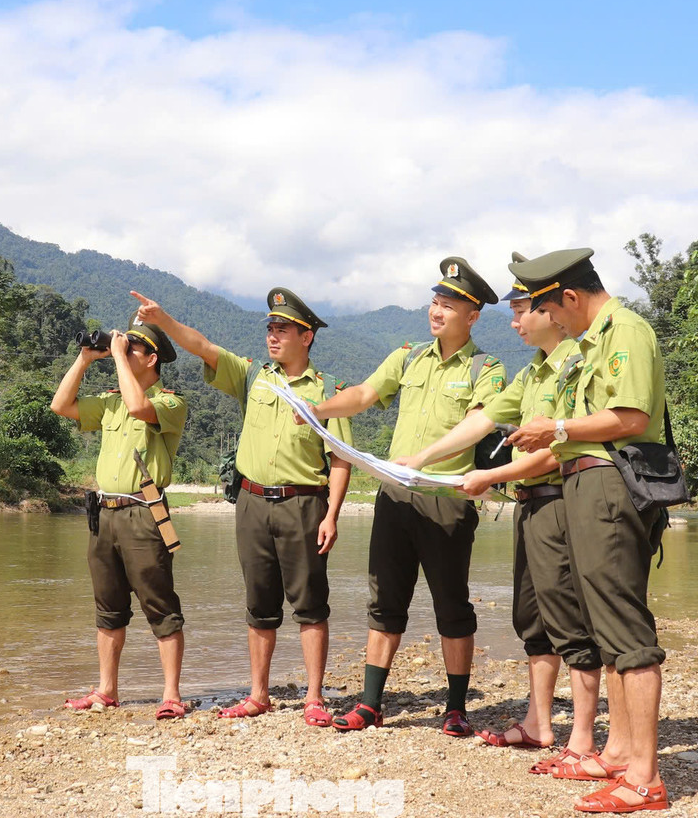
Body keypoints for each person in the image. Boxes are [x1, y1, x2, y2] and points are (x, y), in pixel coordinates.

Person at [395, 254, 604, 777]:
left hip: (560, 500)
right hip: (528, 506)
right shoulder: (532, 372)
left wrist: (490, 477)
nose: (513, 322)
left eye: (520, 310)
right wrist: (421, 458)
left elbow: (559, 444)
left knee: (570, 622)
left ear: (550, 312)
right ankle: (539, 722)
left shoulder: (575, 365)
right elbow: (484, 420)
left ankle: (582, 736)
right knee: (531, 619)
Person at [131, 287, 353, 727]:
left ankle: (313, 697)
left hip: (304, 503)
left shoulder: (328, 390)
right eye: (270, 328)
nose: (273, 335)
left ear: (306, 336)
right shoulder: (254, 376)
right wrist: (163, 321)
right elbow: (203, 347)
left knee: (310, 603)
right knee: (259, 603)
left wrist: (331, 514)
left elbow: (341, 458)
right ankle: (258, 694)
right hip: (251, 502)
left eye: (282, 329)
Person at [308, 257, 505, 737]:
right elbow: (363, 394)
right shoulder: (409, 356)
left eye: (449, 304)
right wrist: (317, 409)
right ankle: (371, 703)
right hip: (395, 495)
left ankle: (456, 707)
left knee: (451, 604)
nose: (437, 311)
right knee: (385, 599)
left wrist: (423, 459)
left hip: (447, 498)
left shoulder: (487, 368)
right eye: (435, 302)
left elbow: (475, 426)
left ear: (473, 314)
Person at [506, 248, 671, 813]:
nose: (555, 324)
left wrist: (555, 425)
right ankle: (621, 753)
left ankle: (644, 778)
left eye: (552, 311)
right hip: (581, 480)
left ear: (570, 298)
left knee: (625, 629)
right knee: (604, 628)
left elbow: (631, 418)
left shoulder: (623, 330)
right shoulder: (593, 340)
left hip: (607, 480)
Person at [50, 319, 189, 720]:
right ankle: (107, 690)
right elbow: (61, 406)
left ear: (152, 358)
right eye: (123, 349)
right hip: (103, 515)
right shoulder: (109, 401)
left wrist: (116, 357)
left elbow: (137, 406)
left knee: (161, 606)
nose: (124, 354)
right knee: (108, 609)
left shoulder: (169, 403)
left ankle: (171, 695)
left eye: (132, 350)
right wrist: (83, 359)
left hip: (144, 515)